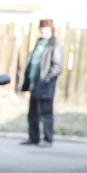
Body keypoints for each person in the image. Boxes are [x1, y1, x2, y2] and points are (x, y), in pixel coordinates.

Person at [21, 19, 63, 147]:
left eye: (45, 29)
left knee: (46, 113)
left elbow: (57, 66)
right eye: (41, 29)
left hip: (45, 86)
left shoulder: (54, 45)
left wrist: (46, 80)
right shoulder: (39, 42)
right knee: (32, 113)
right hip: (34, 83)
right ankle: (33, 137)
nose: (42, 31)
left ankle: (48, 139)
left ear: (51, 29)